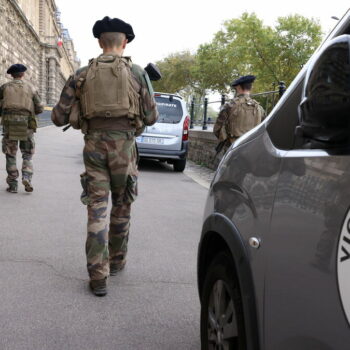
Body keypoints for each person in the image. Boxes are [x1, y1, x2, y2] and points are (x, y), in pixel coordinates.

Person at [51, 16, 158, 297]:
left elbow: (57, 116)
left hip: (94, 147)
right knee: (122, 205)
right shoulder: (137, 72)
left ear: (100, 42)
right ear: (124, 42)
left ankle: (98, 275)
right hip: (124, 146)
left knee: (97, 207)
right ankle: (117, 261)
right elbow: (151, 116)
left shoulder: (82, 74)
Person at [0, 64, 43, 193]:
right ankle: (27, 177)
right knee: (27, 155)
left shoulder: (4, 88)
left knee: (10, 155)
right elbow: (40, 107)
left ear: (11, 75)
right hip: (27, 125)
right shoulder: (31, 88)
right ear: (23, 74)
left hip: (9, 125)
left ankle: (13, 185)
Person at [214, 75, 265, 152]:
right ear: (250, 88)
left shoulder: (229, 106)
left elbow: (217, 129)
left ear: (238, 87)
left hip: (233, 149)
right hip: (253, 149)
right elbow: (264, 129)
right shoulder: (259, 108)